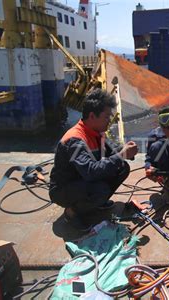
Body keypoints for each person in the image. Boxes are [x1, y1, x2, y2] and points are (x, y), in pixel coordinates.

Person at [49, 88, 138, 231]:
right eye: (107, 116)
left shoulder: (96, 132)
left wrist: (126, 151)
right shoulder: (75, 140)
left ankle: (96, 203)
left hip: (82, 179)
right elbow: (91, 172)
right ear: (92, 116)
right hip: (64, 188)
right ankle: (71, 213)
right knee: (100, 189)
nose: (109, 120)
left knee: (122, 168)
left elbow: (112, 152)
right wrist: (121, 155)